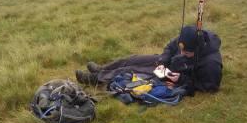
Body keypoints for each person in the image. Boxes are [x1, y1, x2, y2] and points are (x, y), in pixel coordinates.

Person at [75, 25, 222, 95]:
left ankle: (94, 79)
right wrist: (163, 60)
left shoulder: (211, 65)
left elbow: (208, 87)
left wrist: (181, 79)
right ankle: (102, 68)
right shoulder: (190, 36)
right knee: (132, 59)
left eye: (187, 52)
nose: (182, 52)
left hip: (172, 74)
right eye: (181, 49)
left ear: (197, 49)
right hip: (166, 64)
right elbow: (170, 46)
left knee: (129, 70)